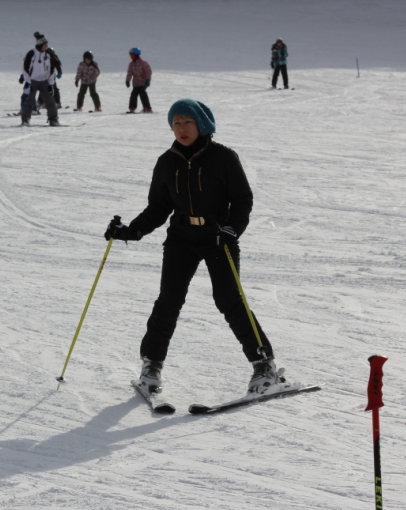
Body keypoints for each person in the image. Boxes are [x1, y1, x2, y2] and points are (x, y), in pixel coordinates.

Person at [104, 98, 281, 396]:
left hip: (217, 237)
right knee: (168, 301)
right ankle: (152, 365)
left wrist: (231, 229)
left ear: (202, 124)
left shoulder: (224, 157)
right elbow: (158, 208)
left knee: (229, 300)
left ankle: (264, 365)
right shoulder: (166, 162)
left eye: (187, 122)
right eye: (176, 123)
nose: (182, 129)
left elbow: (242, 200)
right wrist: (130, 231)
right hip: (181, 237)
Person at [21, 32, 60, 126]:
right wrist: (28, 82)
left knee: (50, 101)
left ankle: (53, 119)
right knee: (29, 100)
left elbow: (51, 70)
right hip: (33, 81)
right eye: (45, 44)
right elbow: (25, 68)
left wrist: (51, 84)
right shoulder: (32, 54)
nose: (47, 46)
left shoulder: (48, 55)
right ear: (40, 44)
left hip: (44, 81)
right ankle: (25, 119)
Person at [125, 47, 152, 113]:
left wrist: (148, 79)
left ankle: (147, 108)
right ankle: (132, 108)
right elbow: (129, 73)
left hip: (143, 82)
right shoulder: (131, 64)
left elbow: (148, 71)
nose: (131, 57)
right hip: (136, 83)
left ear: (137, 55)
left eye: (132, 55)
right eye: (130, 55)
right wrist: (127, 80)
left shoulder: (143, 63)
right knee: (133, 94)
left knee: (142, 93)